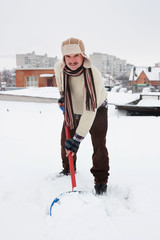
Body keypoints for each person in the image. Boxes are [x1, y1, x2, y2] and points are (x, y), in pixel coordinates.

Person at [54, 38, 109, 195]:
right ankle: (67, 169)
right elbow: (60, 82)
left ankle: (101, 181)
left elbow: (90, 110)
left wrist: (78, 139)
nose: (72, 61)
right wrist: (62, 96)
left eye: (75, 56)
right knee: (65, 140)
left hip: (96, 109)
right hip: (72, 106)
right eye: (68, 57)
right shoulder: (60, 66)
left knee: (98, 144)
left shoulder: (93, 75)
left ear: (83, 56)